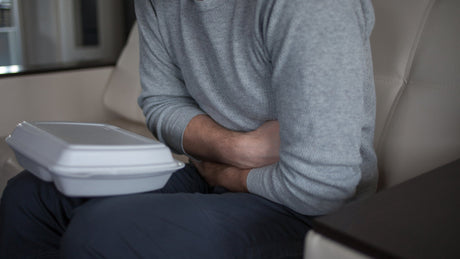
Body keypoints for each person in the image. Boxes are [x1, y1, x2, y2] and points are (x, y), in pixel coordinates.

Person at [0, 0, 378, 258]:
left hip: (310, 211)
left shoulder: (311, 7)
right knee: (30, 197)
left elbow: (322, 187)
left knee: (104, 232)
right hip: (211, 170)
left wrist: (224, 174)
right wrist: (238, 149)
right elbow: (160, 102)